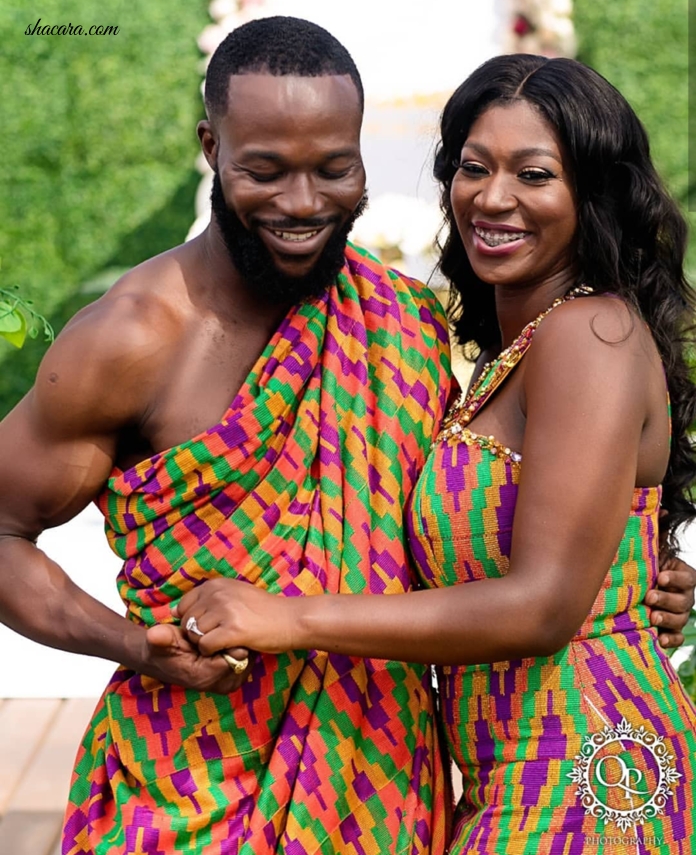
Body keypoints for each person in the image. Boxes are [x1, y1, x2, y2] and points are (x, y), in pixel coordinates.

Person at [0, 19, 691, 855]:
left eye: (334, 168)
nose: (302, 202)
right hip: (187, 785)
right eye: (264, 170)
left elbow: (539, 579)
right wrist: (129, 645)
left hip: (403, 791)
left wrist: (625, 573)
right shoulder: (130, 337)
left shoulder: (400, 324)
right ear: (210, 146)